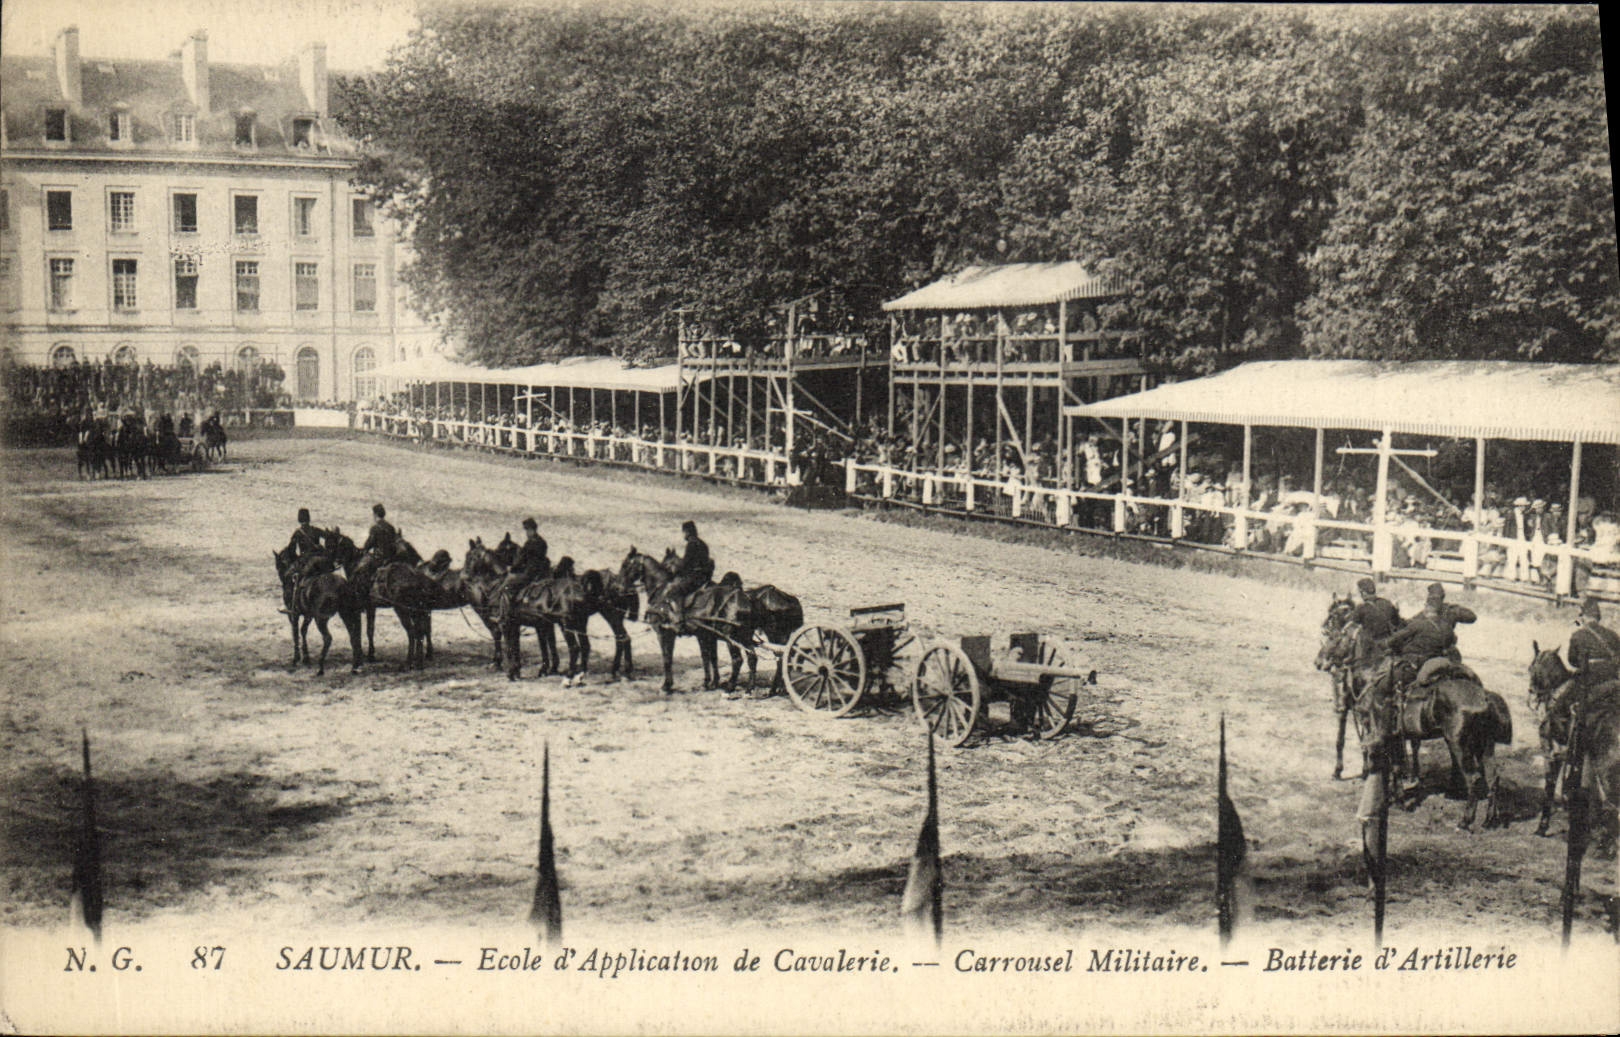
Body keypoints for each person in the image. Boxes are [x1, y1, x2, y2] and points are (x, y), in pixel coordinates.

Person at [1382, 583, 1478, 714]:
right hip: (1443, 652)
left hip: (1433, 654)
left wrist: (1454, 609)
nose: (1435, 598)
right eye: (1433, 596)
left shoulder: (1443, 612)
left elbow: (1471, 617)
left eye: (1437, 596)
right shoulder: (1432, 618)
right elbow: (1408, 623)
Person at [1548, 597, 1620, 726]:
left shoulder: (1578, 635)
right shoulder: (1613, 635)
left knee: (1558, 706)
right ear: (1598, 617)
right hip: (1613, 679)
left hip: (1589, 680)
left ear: (1584, 617)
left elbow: (1572, 661)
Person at [663, 520, 714, 626]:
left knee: (675, 591)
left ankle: (680, 620)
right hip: (705, 578)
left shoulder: (691, 544)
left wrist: (676, 569)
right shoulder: (703, 544)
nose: (683, 535)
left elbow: (686, 565)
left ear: (687, 532)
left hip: (694, 578)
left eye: (684, 532)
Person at [495, 518, 550, 617]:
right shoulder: (543, 542)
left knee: (507, 582)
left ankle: (504, 612)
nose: (527, 533)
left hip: (530, 573)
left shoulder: (529, 543)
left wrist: (512, 569)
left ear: (532, 530)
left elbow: (521, 560)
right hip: (541, 573)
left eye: (527, 530)